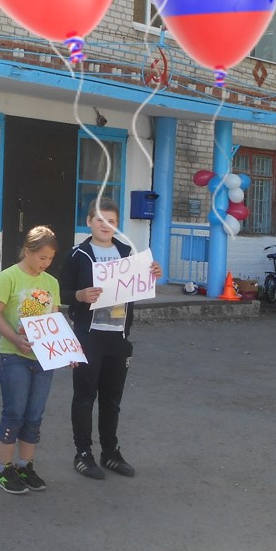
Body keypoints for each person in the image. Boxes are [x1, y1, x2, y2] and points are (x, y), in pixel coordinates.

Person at [60, 197, 162, 481]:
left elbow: (139, 284)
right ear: (89, 222)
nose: (106, 226)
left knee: (111, 399)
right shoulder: (77, 255)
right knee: (84, 397)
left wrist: (153, 273)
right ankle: (83, 453)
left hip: (118, 337)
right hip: (88, 337)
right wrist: (79, 295)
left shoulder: (127, 252)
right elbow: (60, 292)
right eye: (100, 220)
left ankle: (110, 451)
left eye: (112, 221)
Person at [0, 226, 61, 495]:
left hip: (43, 359)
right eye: (42, 257)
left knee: (34, 415)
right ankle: (3, 469)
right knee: (14, 413)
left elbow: (54, 320)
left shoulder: (51, 283)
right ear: (27, 251)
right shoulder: (8, 277)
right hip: (14, 357)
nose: (46, 263)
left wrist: (67, 350)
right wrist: (16, 339)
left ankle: (24, 466)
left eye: (50, 259)